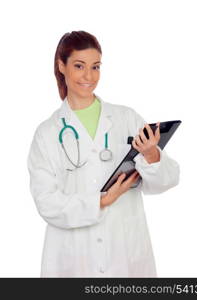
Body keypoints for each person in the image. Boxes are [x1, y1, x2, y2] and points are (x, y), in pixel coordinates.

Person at [27, 30, 180, 278]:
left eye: (96, 67)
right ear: (61, 66)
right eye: (79, 66)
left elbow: (168, 180)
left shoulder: (126, 118)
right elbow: (46, 202)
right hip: (73, 259)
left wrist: (152, 155)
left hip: (126, 254)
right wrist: (101, 201)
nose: (89, 76)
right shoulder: (46, 133)